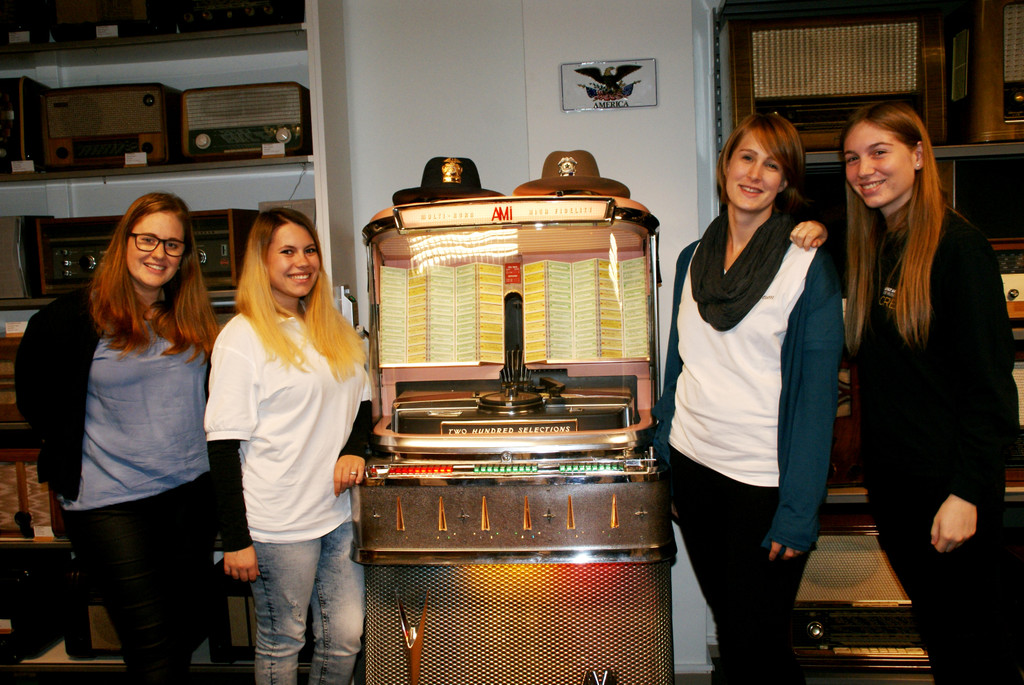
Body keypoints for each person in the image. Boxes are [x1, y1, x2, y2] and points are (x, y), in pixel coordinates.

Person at [653, 113, 844, 684]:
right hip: (694, 468)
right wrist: (666, 463)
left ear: (785, 181)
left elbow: (816, 402)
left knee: (760, 642)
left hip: (764, 484)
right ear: (725, 164)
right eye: (747, 157)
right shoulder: (692, 258)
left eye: (773, 164)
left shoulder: (807, 266)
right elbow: (678, 365)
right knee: (734, 635)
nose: (756, 174)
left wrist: (799, 512)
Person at [840, 101, 1023, 684]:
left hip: (950, 491)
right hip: (898, 488)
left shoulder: (958, 248)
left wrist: (966, 493)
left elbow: (991, 388)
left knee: (977, 652)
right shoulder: (877, 246)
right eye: (852, 158)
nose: (864, 169)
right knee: (946, 643)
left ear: (918, 155)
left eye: (879, 152)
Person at [14, 192, 220, 684]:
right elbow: (34, 399)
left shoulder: (190, 316)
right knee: (152, 650)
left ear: (185, 255)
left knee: (186, 632)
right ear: (124, 241)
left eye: (172, 244)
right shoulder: (70, 318)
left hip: (189, 496)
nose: (159, 253)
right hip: (111, 504)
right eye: (147, 239)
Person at [204, 207, 370, 685]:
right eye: (288, 251)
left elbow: (362, 404)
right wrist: (236, 541)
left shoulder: (330, 325)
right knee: (283, 641)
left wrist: (354, 449)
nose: (303, 262)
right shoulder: (242, 338)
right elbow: (222, 447)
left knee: (344, 637)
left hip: (336, 514)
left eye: (310, 250)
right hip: (277, 524)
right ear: (262, 261)